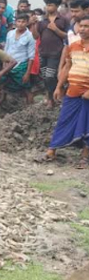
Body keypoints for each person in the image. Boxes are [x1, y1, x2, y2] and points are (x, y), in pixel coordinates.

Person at [37, 16, 89, 168]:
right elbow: (67, 67)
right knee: (63, 121)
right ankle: (51, 152)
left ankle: (85, 157)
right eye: (81, 26)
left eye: (87, 26)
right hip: (73, 91)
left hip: (87, 94)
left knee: (87, 124)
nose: (83, 29)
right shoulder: (73, 46)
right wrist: (59, 87)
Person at [31, 0, 70, 108]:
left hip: (56, 53)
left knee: (50, 76)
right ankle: (52, 96)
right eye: (47, 5)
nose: (48, 7)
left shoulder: (63, 20)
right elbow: (35, 36)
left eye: (50, 5)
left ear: (57, 6)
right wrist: (33, 24)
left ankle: (52, 98)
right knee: (46, 77)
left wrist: (56, 29)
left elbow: (67, 36)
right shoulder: (42, 21)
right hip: (43, 52)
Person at [2, 14, 35, 104]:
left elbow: (31, 57)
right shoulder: (10, 33)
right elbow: (6, 49)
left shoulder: (30, 36)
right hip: (8, 64)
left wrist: (27, 73)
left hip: (21, 65)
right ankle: (1, 101)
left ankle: (30, 108)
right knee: (2, 83)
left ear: (27, 23)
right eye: (18, 21)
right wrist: (4, 63)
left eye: (23, 22)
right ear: (15, 22)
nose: (20, 24)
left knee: (26, 87)